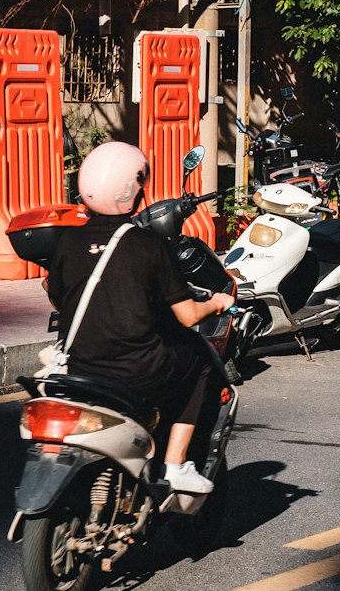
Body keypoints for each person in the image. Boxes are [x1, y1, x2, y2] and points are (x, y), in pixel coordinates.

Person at [47, 140, 232, 494]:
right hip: (137, 372)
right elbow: (188, 315)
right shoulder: (148, 245)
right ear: (133, 188)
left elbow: (57, 297)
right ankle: (176, 465)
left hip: (80, 368)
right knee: (198, 361)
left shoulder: (66, 243)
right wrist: (218, 302)